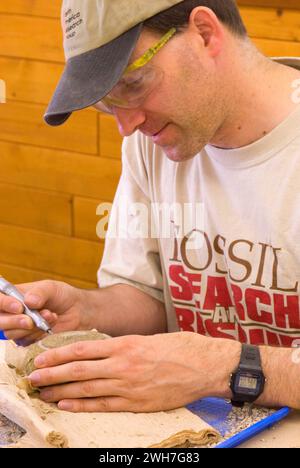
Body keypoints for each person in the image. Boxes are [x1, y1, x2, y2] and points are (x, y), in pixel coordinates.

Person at [0, 0, 300, 413]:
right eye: (108, 103)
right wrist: (86, 310)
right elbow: (151, 295)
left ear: (205, 33)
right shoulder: (152, 143)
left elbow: (209, 364)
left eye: (135, 83)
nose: (128, 125)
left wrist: (219, 366)